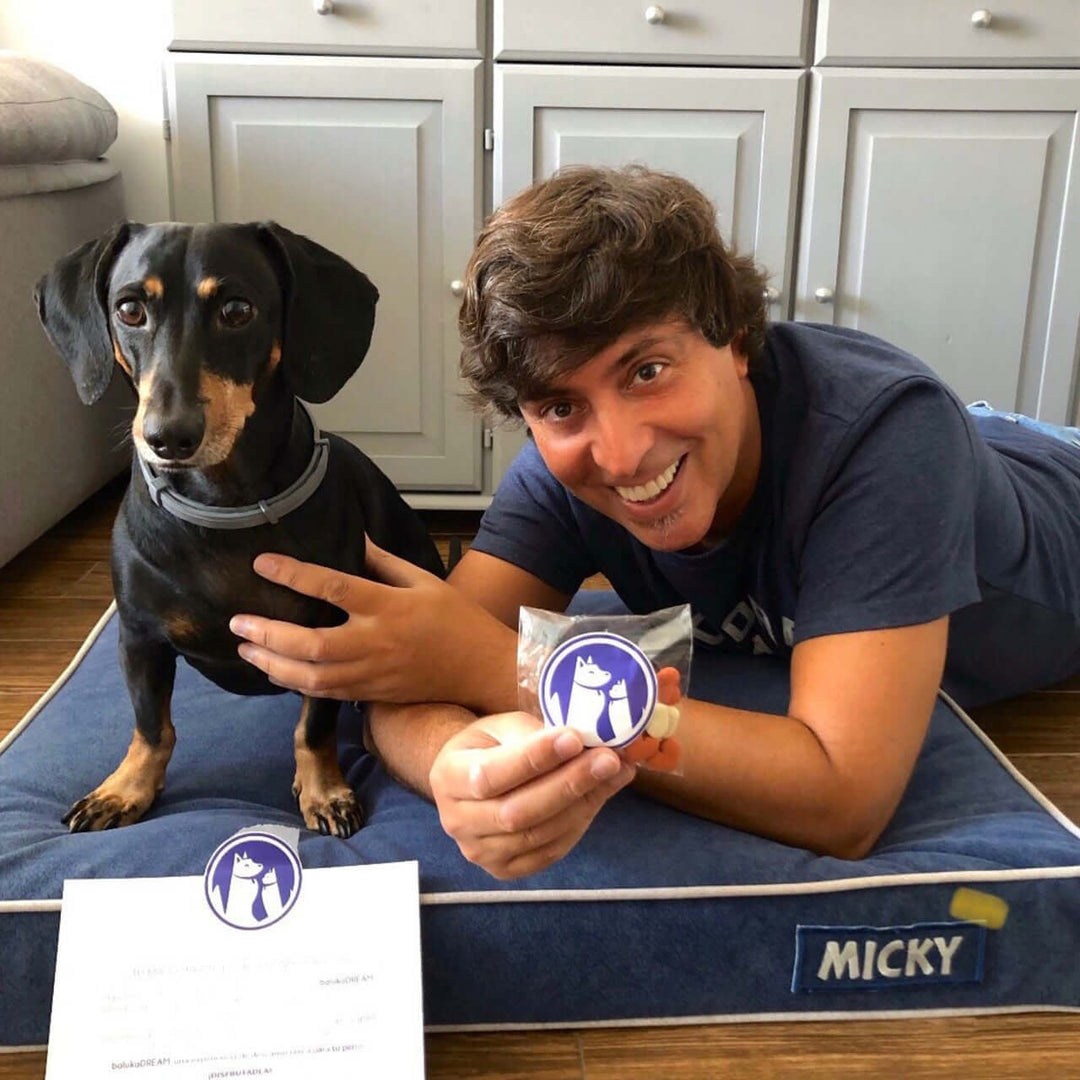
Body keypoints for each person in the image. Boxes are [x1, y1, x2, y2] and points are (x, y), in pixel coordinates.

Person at [229, 165, 1080, 879]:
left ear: (739, 339)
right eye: (561, 404)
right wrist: (458, 760)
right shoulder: (563, 468)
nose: (622, 452)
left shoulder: (888, 445)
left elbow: (843, 802)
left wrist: (507, 668)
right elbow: (410, 674)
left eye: (648, 369)